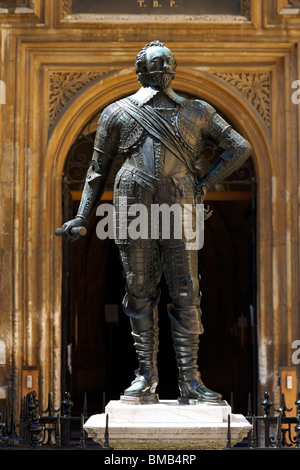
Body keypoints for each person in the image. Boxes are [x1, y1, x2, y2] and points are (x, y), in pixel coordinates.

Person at [58, 41, 252, 404]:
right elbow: (97, 168)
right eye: (155, 61)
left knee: (186, 288)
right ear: (141, 70)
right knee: (138, 285)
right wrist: (83, 216)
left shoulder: (198, 110)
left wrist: (204, 183)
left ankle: (190, 380)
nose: (162, 65)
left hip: (181, 201)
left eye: (167, 60)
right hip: (133, 200)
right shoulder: (117, 112)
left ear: (174, 69)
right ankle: (145, 375)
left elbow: (239, 146)